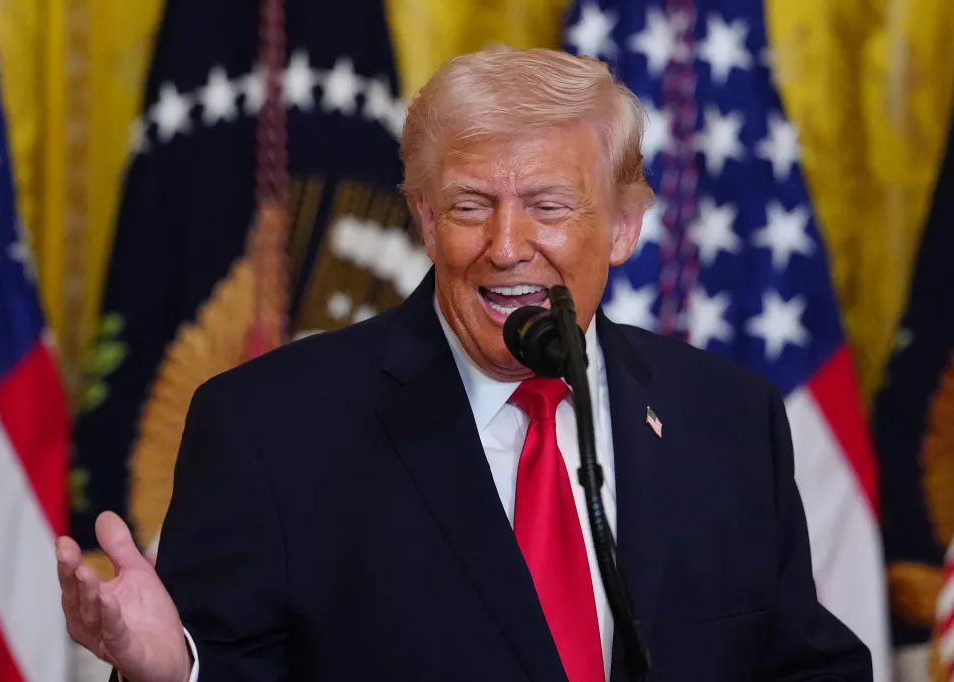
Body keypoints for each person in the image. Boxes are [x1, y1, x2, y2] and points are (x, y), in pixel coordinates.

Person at [56, 46, 872, 682]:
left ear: (625, 226)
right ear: (422, 217)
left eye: (549, 206)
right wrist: (178, 672)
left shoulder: (728, 419)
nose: (507, 247)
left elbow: (804, 664)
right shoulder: (270, 429)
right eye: (469, 205)